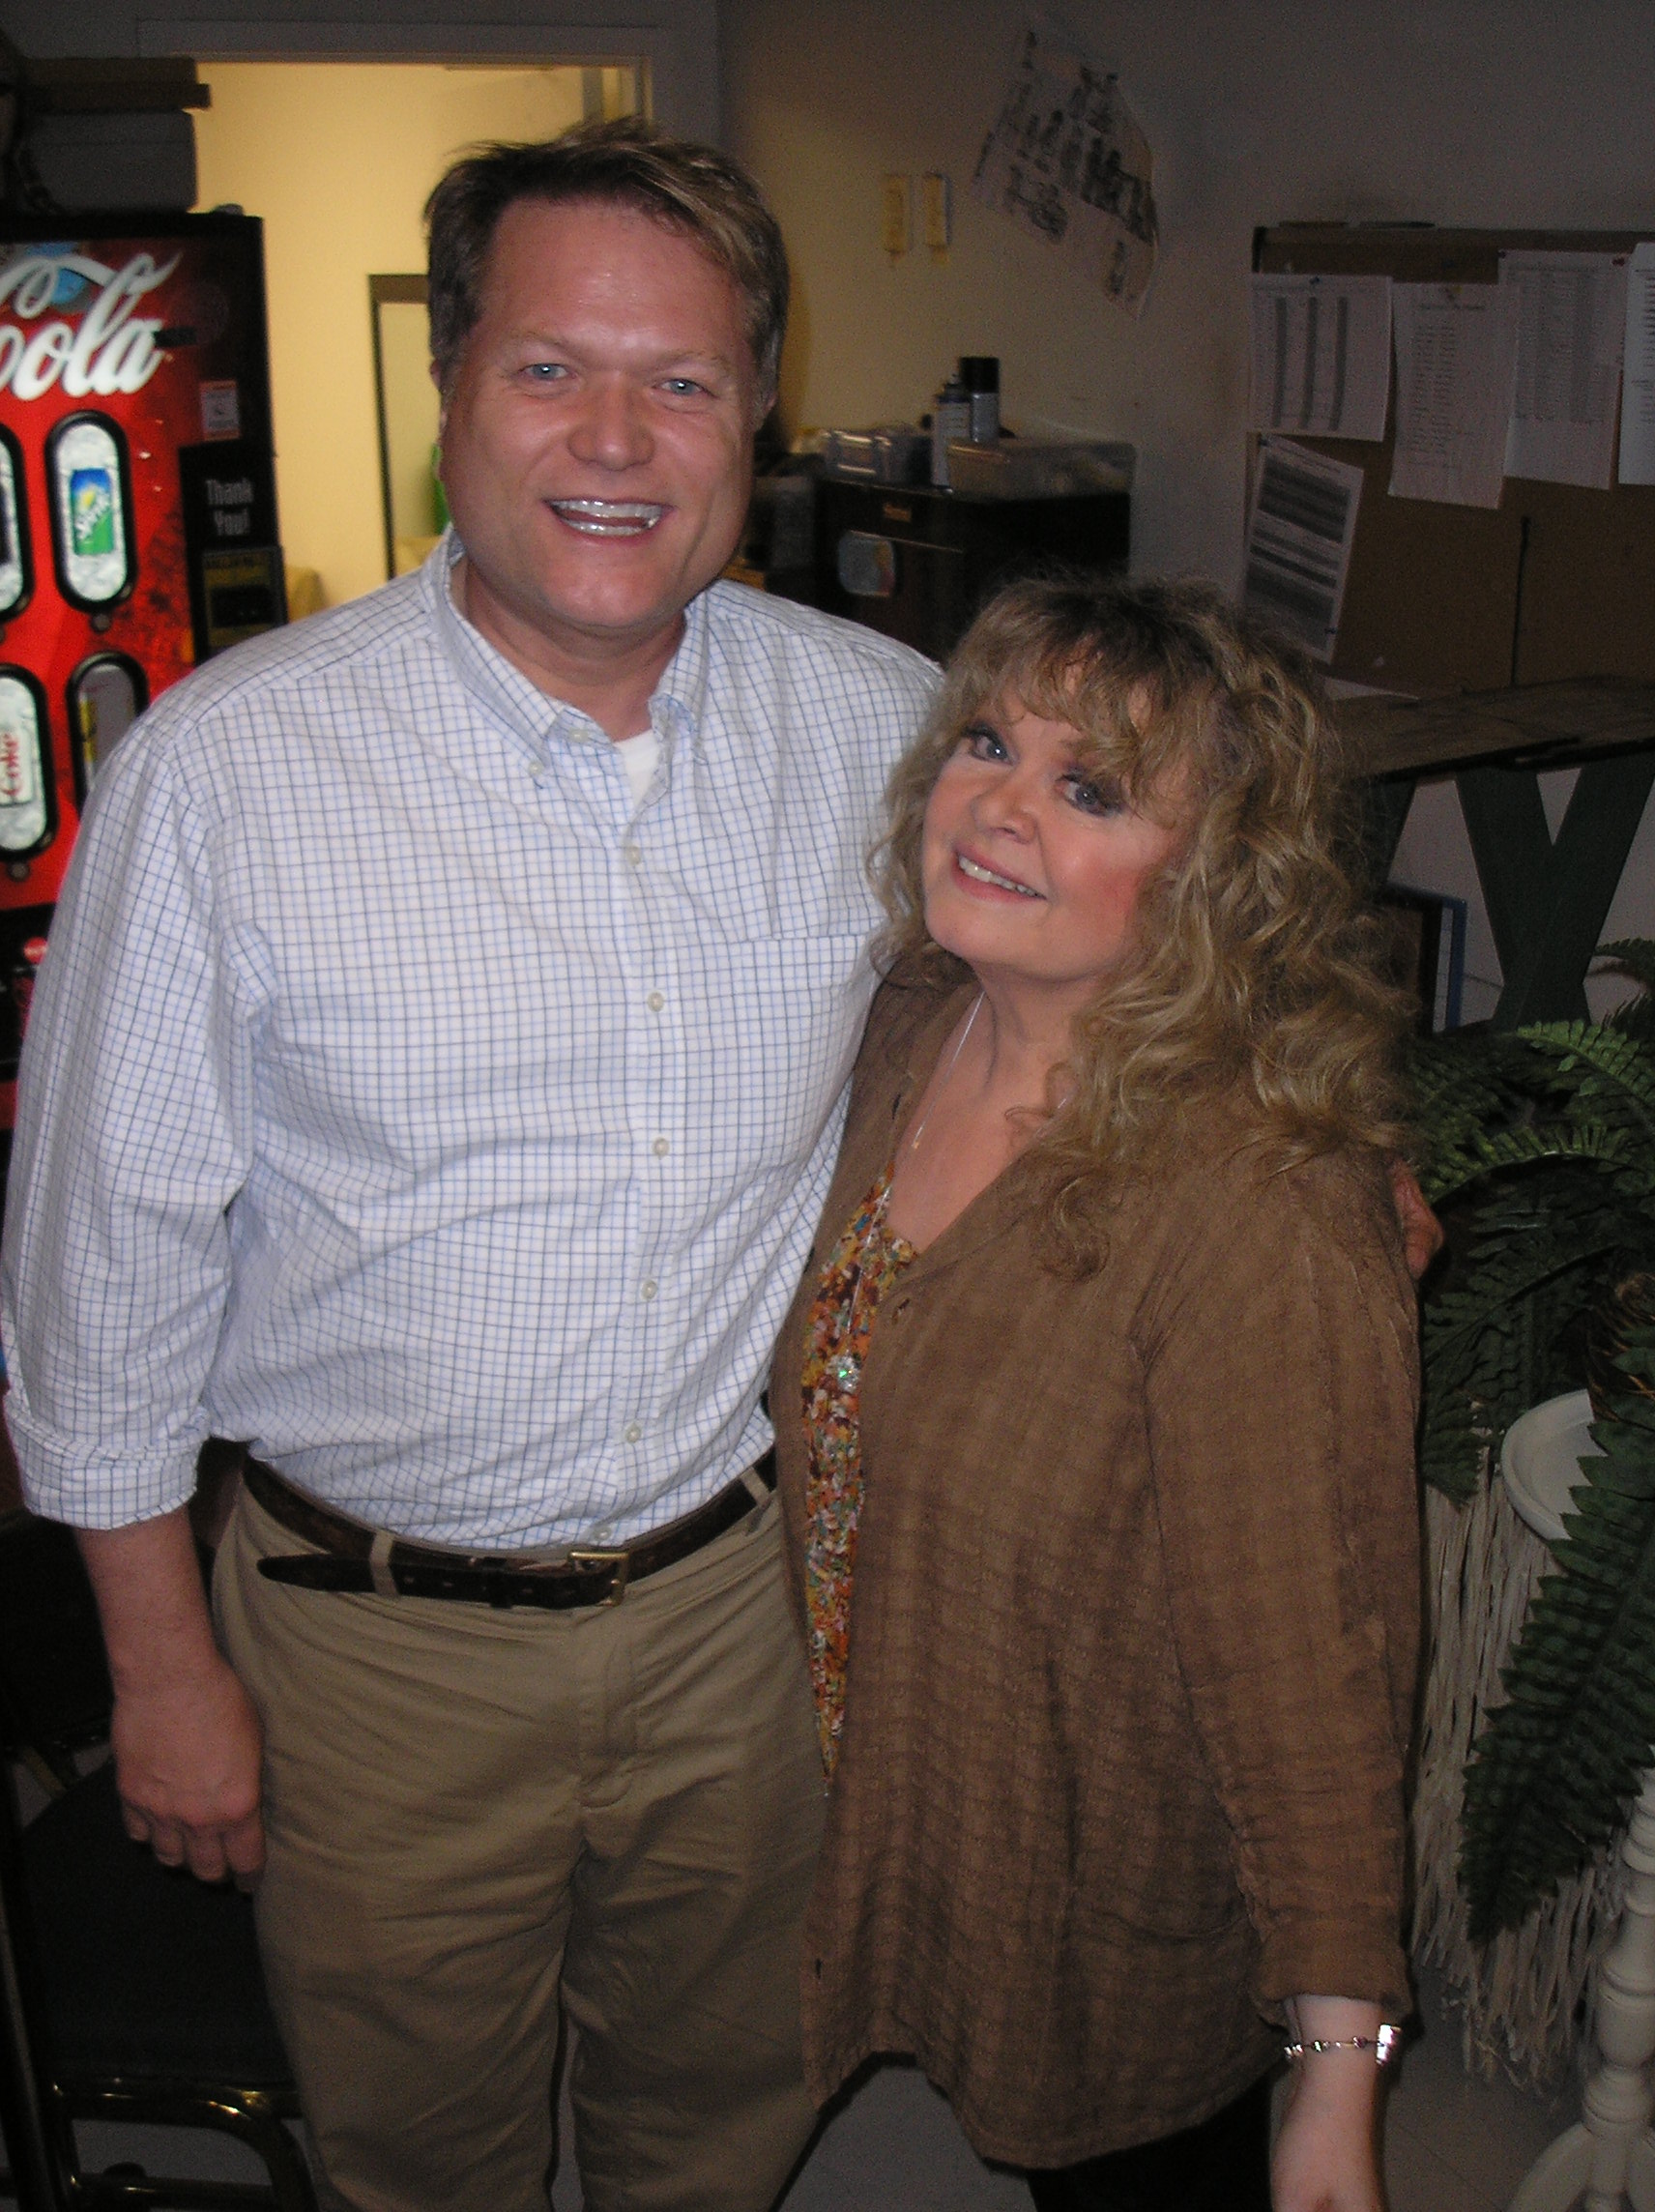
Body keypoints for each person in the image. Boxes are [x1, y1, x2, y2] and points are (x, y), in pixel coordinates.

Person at [0, 120, 938, 2212]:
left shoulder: (887, 727)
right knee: (422, 2167)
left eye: (680, 380)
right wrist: (163, 1674)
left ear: (755, 409)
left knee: (721, 2131)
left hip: (736, 1619)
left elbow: (1112, 970)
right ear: (449, 392)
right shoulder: (225, 776)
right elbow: (98, 1285)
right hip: (371, 1651)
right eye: (547, 368)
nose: (615, 437)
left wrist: (1299, 1167)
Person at [771, 575, 1422, 2212]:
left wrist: (1337, 2075)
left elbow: (1317, 1660)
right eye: (987, 741)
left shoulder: (1257, 1200)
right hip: (941, 1795)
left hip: (1118, 1904)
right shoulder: (911, 1026)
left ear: (1209, 884)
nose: (999, 806)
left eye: (1091, 789)